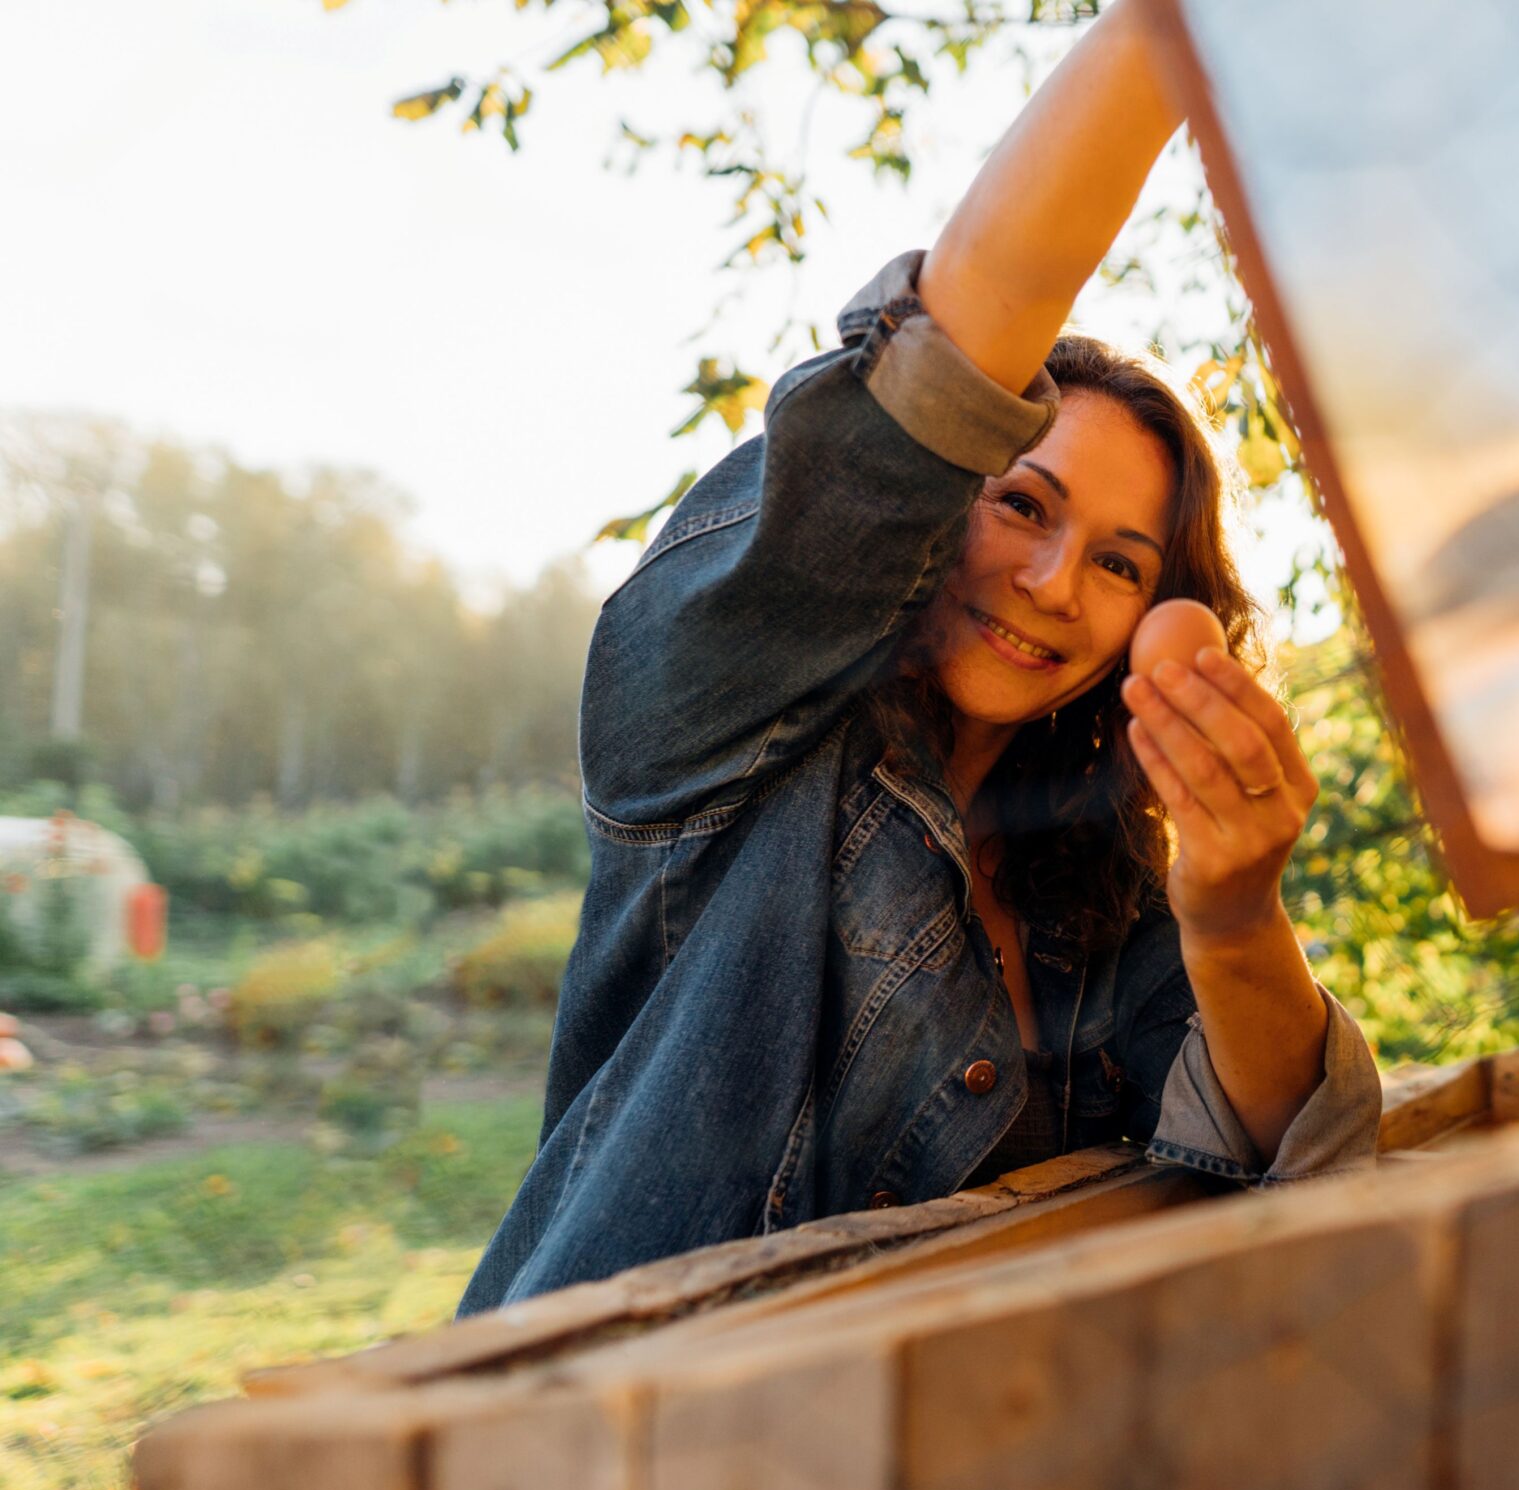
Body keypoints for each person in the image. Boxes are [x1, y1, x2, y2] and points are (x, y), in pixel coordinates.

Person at [458, 3, 1380, 1315]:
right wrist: (1166, 33)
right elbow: (932, 377)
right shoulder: (727, 716)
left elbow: (1294, 1153)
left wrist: (1235, 918)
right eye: (1022, 503)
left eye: (1123, 563)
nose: (1056, 585)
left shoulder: (1093, 879)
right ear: (940, 496)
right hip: (604, 1473)